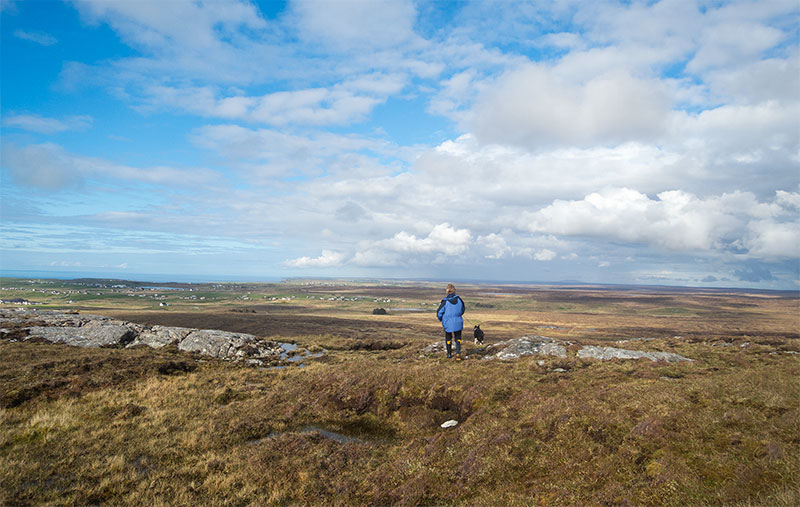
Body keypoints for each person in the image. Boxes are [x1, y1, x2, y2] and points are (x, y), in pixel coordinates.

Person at [437, 283, 465, 360]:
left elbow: (439, 312)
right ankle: (458, 352)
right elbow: (462, 310)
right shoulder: (459, 300)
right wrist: (457, 315)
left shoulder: (445, 301)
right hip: (458, 321)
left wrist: (441, 319)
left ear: (447, 291)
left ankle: (449, 354)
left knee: (448, 338)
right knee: (458, 337)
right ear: (454, 291)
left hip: (448, 322)